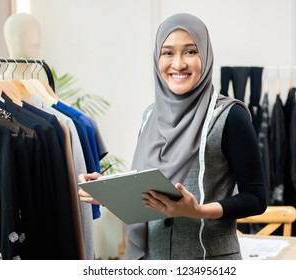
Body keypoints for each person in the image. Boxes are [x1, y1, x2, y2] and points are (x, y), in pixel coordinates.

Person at [78, 13, 267, 260]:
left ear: (206, 56)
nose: (178, 64)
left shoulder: (230, 116)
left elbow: (255, 198)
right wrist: (107, 192)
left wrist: (198, 210)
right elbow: (148, 187)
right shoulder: (150, 116)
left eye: (190, 51)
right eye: (168, 53)